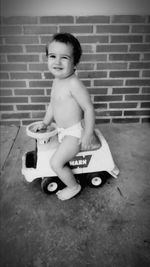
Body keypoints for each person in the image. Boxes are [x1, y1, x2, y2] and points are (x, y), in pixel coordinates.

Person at [34, 33, 95, 200]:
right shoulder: (57, 81)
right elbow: (53, 104)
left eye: (65, 57)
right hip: (62, 130)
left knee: (55, 163)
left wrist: (88, 135)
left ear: (75, 63)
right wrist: (46, 122)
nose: (57, 62)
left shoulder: (74, 84)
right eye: (52, 56)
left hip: (74, 133)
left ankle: (74, 186)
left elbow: (88, 108)